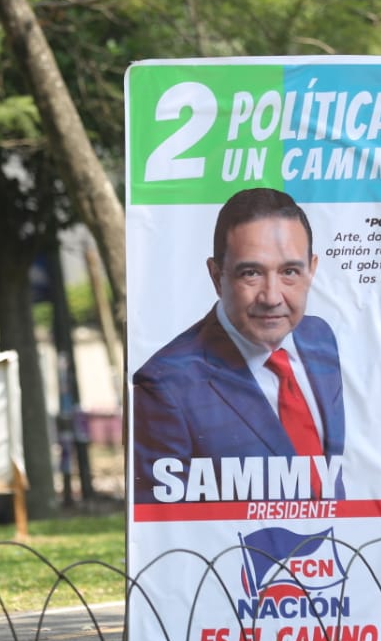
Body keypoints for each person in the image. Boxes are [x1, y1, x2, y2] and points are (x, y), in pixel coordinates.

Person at [132, 187, 346, 504]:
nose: (272, 297)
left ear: (311, 270)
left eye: (289, 272)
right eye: (251, 273)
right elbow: (166, 532)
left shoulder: (319, 336)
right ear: (217, 276)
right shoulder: (165, 387)